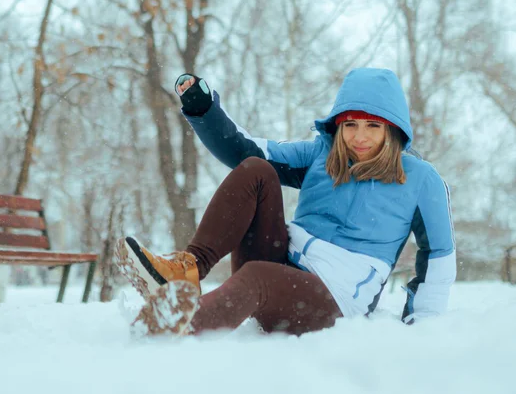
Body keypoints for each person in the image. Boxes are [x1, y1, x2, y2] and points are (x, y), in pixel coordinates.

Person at [114, 67, 456, 336]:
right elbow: (249, 151)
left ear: (392, 130)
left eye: (373, 125)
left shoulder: (421, 180)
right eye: (350, 124)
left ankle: (182, 323)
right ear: (338, 125)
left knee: (258, 276)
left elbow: (437, 256)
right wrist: (205, 111)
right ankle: (187, 268)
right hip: (284, 270)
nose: (360, 136)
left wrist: (420, 325)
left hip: (333, 303)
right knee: (256, 171)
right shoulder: (321, 155)